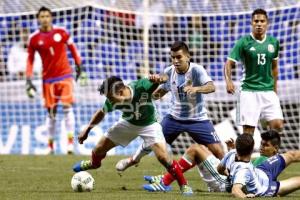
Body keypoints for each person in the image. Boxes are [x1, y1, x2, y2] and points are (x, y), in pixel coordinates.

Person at [116, 41, 225, 191]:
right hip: (174, 118)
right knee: (152, 141)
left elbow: (211, 86)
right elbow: (161, 92)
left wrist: (196, 88)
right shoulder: (169, 72)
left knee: (219, 151)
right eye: (172, 57)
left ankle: (231, 178)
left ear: (188, 57)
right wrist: (150, 94)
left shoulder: (197, 70)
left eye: (179, 57)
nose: (175, 61)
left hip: (198, 119)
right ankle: (133, 160)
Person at [72, 76, 193, 195]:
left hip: (149, 124)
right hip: (128, 123)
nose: (109, 100)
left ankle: (184, 185)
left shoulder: (140, 86)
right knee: (98, 149)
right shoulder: (112, 101)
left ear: (120, 92)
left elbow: (162, 80)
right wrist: (87, 130)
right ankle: (93, 164)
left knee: (163, 157)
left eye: (110, 97)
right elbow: (101, 113)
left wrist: (159, 79)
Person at [143, 130, 282, 193]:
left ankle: (165, 182)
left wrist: (232, 155)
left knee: (196, 150)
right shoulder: (267, 163)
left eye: (266, 146)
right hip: (226, 175)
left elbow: (242, 173)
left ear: (275, 149)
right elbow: (242, 167)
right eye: (262, 144)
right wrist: (233, 151)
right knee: (199, 148)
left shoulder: (264, 165)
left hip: (223, 182)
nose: (262, 148)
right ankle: (168, 177)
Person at [25, 6, 84, 154]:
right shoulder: (34, 38)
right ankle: (50, 147)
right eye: (42, 16)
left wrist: (79, 66)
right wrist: (28, 78)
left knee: (67, 107)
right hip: (48, 80)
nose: (44, 18)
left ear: (51, 18)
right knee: (51, 113)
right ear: (38, 19)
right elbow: (30, 60)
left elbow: (73, 49)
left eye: (47, 16)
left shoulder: (62, 32)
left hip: (65, 76)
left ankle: (70, 144)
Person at [224, 8, 284, 135]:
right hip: (249, 91)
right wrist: (228, 81)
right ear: (251, 23)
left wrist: (275, 90)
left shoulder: (274, 42)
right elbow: (229, 63)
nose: (259, 24)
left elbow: (274, 68)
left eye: (262, 21)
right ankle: (244, 154)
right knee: (248, 132)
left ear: (267, 23)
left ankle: (268, 152)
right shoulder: (243, 42)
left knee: (278, 125)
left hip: (268, 91)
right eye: (256, 21)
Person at [218, 133, 300, 198]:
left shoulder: (231, 152)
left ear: (236, 147)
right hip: (266, 187)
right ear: (252, 148)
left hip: (262, 170)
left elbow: (220, 169)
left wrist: (231, 175)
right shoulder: (243, 171)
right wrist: (245, 197)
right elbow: (235, 190)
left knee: (292, 155)